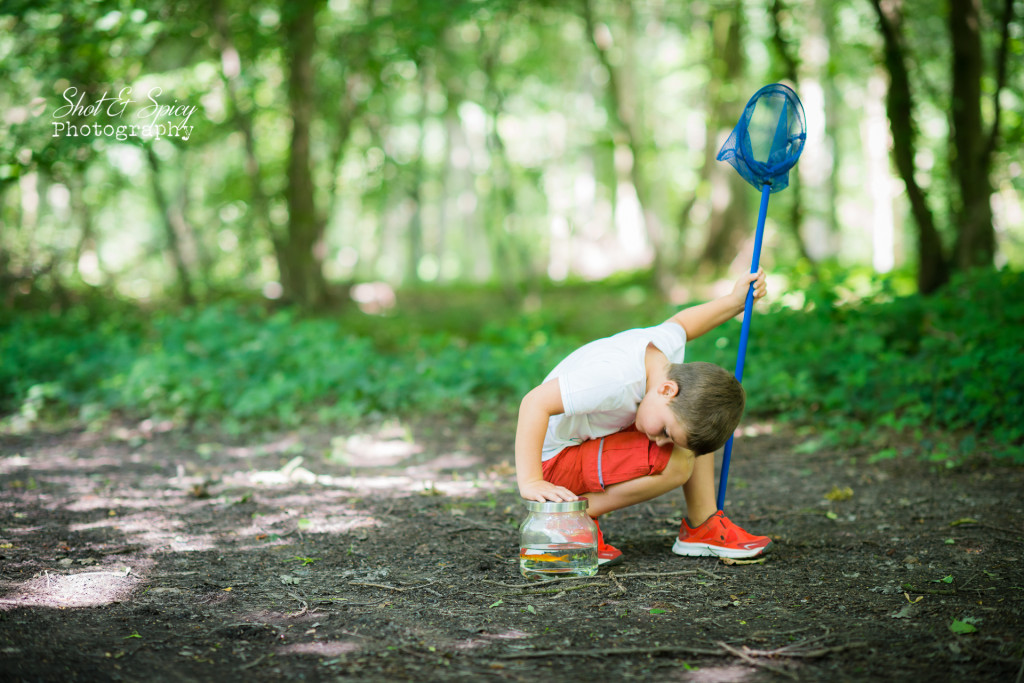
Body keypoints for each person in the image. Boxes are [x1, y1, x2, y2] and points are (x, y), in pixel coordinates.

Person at [514, 268, 771, 565]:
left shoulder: (663, 358)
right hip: (553, 463)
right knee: (678, 460)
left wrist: (734, 301)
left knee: (695, 434)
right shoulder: (614, 379)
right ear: (667, 389)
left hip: (586, 444)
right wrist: (531, 481)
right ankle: (566, 521)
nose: (660, 440)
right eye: (664, 430)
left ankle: (702, 526)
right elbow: (533, 402)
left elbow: (682, 323)